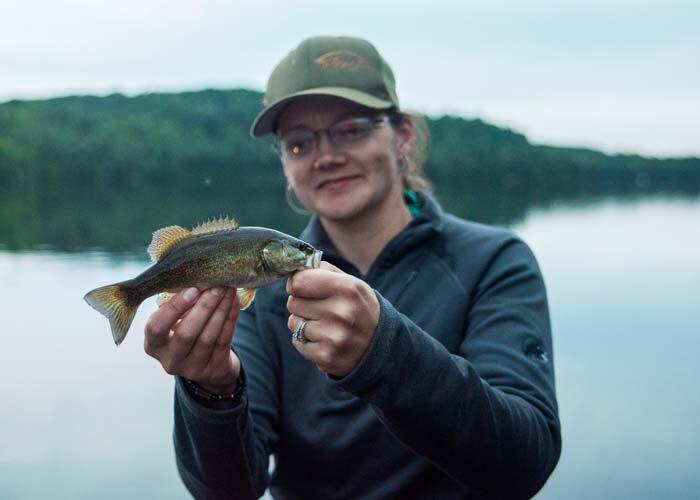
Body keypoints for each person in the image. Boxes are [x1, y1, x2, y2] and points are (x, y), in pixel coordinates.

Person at [143, 35, 561, 499]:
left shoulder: (495, 262)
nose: (326, 156)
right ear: (284, 163)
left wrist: (384, 351)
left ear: (402, 135)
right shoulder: (258, 284)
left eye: (352, 128)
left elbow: (525, 464)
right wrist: (211, 391)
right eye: (299, 144)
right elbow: (229, 489)